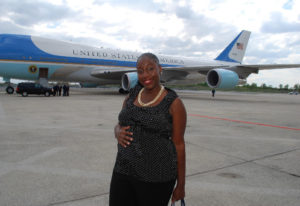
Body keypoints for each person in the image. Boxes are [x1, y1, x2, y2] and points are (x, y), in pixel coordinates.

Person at [109, 53, 186, 206]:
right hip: (123, 170)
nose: (145, 75)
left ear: (160, 69)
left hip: (156, 177)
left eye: (150, 69)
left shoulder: (173, 103)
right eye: (140, 71)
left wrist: (181, 185)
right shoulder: (131, 96)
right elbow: (120, 123)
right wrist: (117, 131)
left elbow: (179, 145)